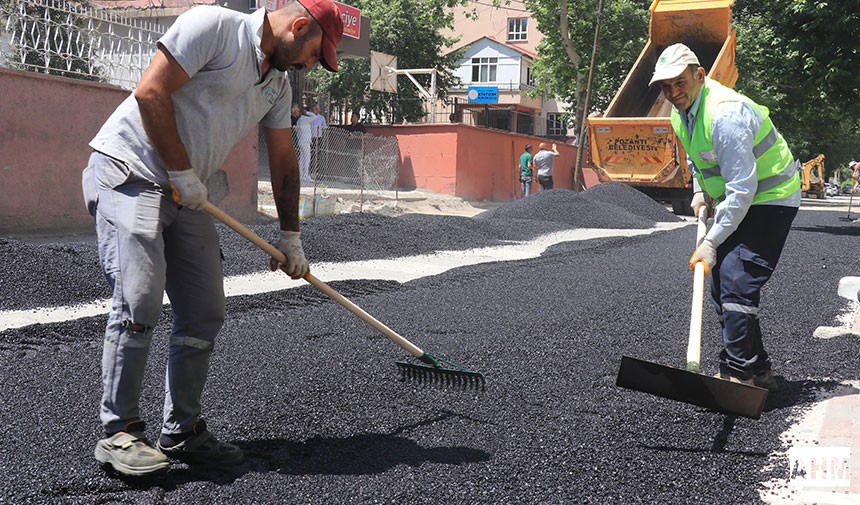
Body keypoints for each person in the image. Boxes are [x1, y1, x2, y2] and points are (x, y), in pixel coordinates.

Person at [80, 0, 343, 477]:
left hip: (188, 193)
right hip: (130, 172)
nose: (309, 67)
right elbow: (150, 92)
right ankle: (119, 431)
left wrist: (291, 238)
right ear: (300, 26)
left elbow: (284, 165)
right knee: (139, 297)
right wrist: (181, 170)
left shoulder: (278, 86)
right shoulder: (214, 26)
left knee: (204, 310)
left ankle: (182, 430)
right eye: (312, 55)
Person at [650, 43, 800, 391]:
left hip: (770, 197)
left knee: (736, 279)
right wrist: (700, 190)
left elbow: (743, 189)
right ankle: (759, 371)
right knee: (723, 287)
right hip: (739, 197)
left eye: (680, 83)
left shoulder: (725, 114)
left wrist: (710, 241)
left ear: (699, 76)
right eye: (665, 86)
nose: (673, 92)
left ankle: (738, 375)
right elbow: (696, 156)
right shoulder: (679, 113)